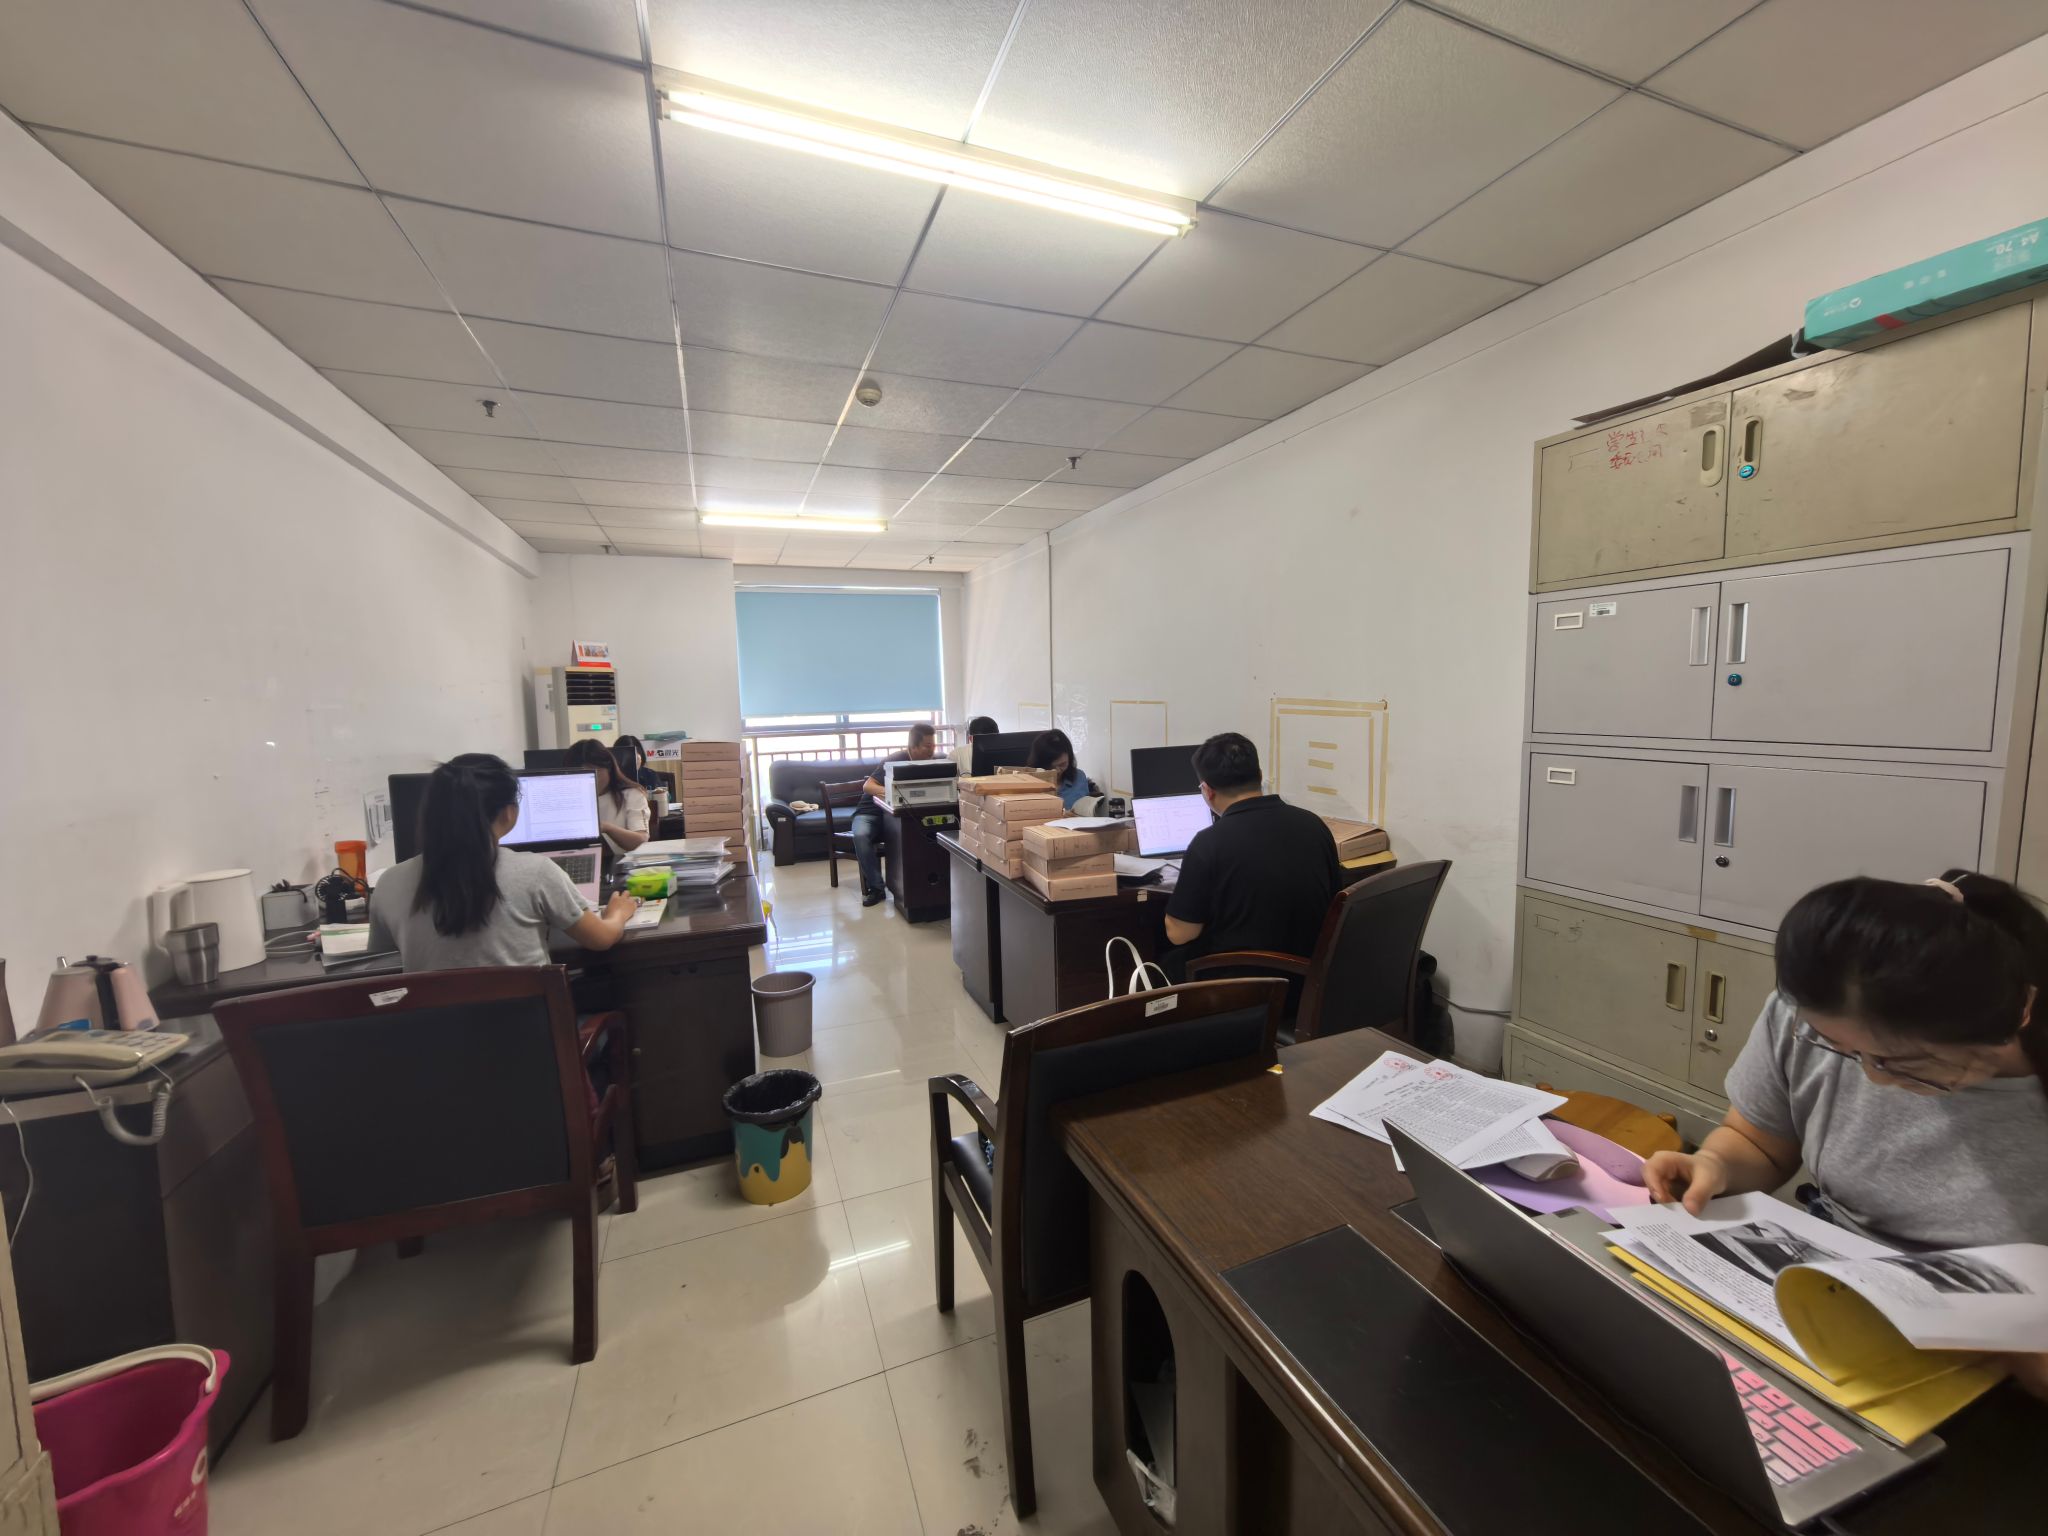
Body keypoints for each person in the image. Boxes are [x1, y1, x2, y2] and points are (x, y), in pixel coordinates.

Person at [1643, 870, 2048, 1398]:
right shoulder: (1810, 1014)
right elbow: (1760, 1140)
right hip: (1830, 1295)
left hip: (1987, 1370)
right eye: (1840, 1049)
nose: (1872, 1078)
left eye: (1905, 1062)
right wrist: (1716, 1164)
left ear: (2017, 1012)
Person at [369, 753, 637, 970]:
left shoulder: (389, 883)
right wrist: (618, 914)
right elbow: (601, 939)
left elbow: (378, 963)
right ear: (509, 812)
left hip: (432, 1023)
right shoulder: (536, 873)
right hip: (528, 1022)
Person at [1162, 733, 1342, 980]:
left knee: (1166, 960)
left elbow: (1179, 933)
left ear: (1207, 791)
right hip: (1310, 975)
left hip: (1244, 984)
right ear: (1259, 776)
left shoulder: (1208, 843)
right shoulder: (1314, 825)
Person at [853, 722, 938, 907]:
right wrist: (893, 792)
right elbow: (868, 786)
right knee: (860, 836)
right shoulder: (895, 760)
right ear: (913, 747)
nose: (932, 750)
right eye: (927, 746)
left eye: (934, 745)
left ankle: (918, 887)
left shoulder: (933, 761)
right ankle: (876, 888)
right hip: (871, 813)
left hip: (899, 817)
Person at [563, 738, 650, 855]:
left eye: (595, 772)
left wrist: (607, 828)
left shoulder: (631, 794)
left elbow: (641, 840)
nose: (590, 781)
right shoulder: (565, 799)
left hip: (620, 862)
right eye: (581, 775)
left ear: (609, 768)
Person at [1026, 728, 1092, 811]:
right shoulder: (1027, 780)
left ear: (1069, 758)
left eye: (1062, 764)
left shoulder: (1079, 777)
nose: (1057, 770)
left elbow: (1085, 810)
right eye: (1051, 767)